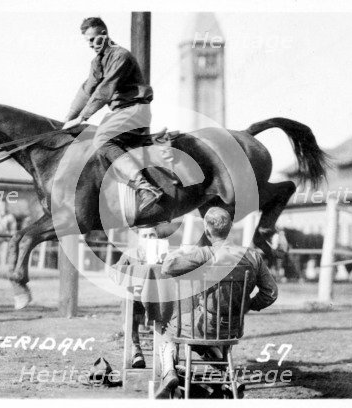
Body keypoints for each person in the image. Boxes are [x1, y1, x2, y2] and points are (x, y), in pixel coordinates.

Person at [155, 207, 278, 398]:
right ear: (230, 228)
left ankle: (169, 374)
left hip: (205, 324)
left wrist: (177, 252)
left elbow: (168, 267)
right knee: (201, 337)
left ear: (207, 230)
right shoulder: (253, 256)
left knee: (169, 331)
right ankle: (231, 378)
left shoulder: (206, 254)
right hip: (234, 327)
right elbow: (270, 293)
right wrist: (247, 305)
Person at [62, 17, 162, 215]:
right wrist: (67, 120)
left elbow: (104, 90)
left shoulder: (120, 56)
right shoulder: (97, 62)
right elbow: (86, 91)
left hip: (135, 110)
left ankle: (145, 188)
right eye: (87, 41)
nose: (91, 45)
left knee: (101, 138)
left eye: (93, 40)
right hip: (120, 113)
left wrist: (82, 117)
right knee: (87, 138)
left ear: (104, 35)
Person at [113, 228, 168, 369]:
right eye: (145, 235)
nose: (149, 238)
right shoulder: (131, 254)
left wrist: (164, 262)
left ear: (157, 236)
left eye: (152, 235)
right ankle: (135, 349)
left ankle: (167, 354)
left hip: (159, 301)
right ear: (139, 238)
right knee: (127, 300)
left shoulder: (165, 254)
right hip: (137, 301)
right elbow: (115, 271)